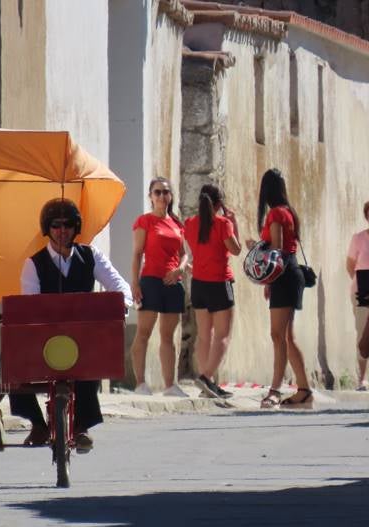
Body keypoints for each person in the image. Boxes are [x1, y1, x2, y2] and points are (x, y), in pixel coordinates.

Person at [9, 198, 132, 453]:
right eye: (56, 225)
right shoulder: (33, 264)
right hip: (45, 338)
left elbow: (120, 286)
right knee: (11, 363)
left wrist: (121, 304)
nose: (62, 231)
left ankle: (81, 427)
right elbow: (30, 305)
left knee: (90, 363)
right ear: (47, 228)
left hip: (83, 337)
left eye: (68, 225)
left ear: (76, 228)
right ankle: (37, 423)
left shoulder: (91, 255)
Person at [247, 169, 312, 407]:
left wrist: (255, 246)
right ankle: (303, 390)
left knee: (278, 335)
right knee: (286, 336)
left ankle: (275, 389)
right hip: (290, 274)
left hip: (283, 276)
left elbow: (276, 250)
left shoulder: (275, 214)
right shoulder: (288, 212)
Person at [130, 177, 189, 397]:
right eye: (157, 192)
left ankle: (169, 385)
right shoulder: (144, 221)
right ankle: (140, 383)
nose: (162, 196)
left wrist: (180, 270)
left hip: (174, 283)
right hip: (151, 280)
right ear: (150, 196)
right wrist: (134, 283)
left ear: (170, 196)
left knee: (168, 336)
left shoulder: (177, 224)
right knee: (143, 332)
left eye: (165, 192)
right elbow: (137, 254)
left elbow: (184, 255)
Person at [183, 184, 241, 403]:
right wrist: (234, 223)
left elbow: (192, 245)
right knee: (223, 335)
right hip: (219, 283)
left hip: (198, 283)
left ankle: (208, 382)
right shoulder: (223, 224)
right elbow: (236, 250)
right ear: (219, 204)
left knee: (204, 335)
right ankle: (206, 377)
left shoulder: (189, 224)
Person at [345, 201, 369, 391]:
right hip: (362, 291)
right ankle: (361, 379)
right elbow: (350, 264)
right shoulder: (358, 239)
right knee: (362, 334)